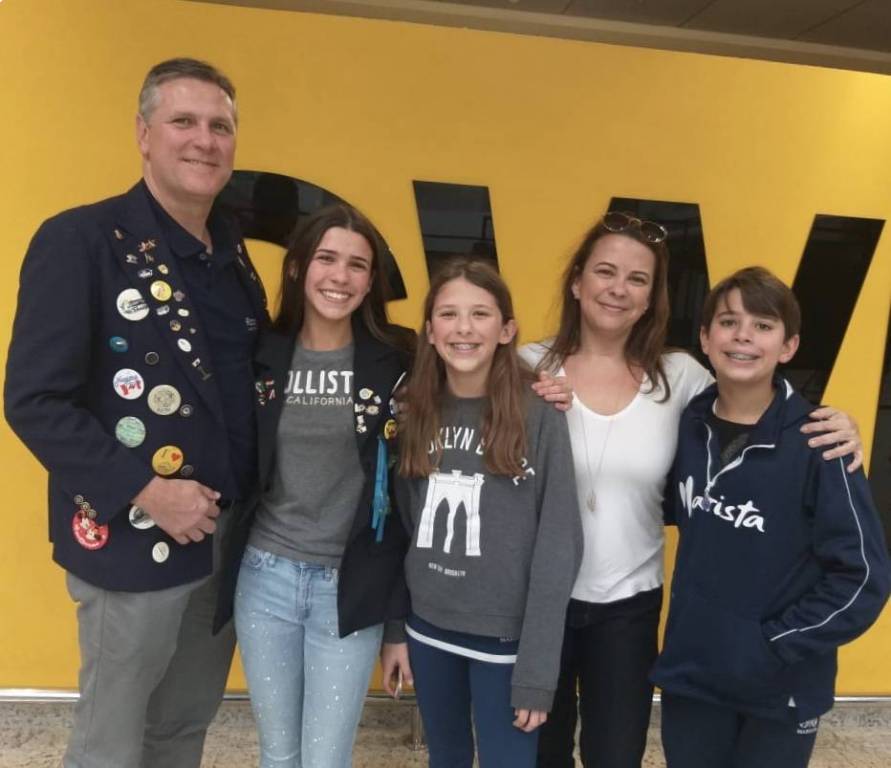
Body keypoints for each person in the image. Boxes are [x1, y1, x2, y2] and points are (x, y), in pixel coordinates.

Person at [522, 212, 865, 768]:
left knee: (616, 755)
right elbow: (455, 416)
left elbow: (751, 398)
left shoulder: (680, 377)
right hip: (537, 599)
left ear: (651, 298)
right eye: (605, 271)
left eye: (637, 279)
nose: (618, 288)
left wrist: (834, 424)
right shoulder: (525, 368)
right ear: (577, 281)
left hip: (628, 606)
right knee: (537, 752)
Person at [3, 58, 266, 768]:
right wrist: (147, 490)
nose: (205, 140)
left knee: (182, 727)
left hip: (224, 537)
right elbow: (34, 400)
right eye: (184, 121)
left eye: (220, 126)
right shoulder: (81, 240)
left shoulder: (232, 254)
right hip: (133, 536)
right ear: (144, 135)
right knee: (110, 742)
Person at [652, 266, 891, 768]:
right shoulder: (688, 425)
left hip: (780, 686)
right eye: (728, 322)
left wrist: (772, 644)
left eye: (763, 325)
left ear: (788, 346)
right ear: (705, 338)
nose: (743, 336)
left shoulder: (821, 443)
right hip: (693, 676)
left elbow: (863, 577)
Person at [220, 204, 414, 768]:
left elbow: (410, 495)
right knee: (279, 755)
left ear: (371, 282)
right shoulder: (262, 354)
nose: (340, 276)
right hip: (265, 578)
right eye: (327, 258)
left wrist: (541, 386)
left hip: (348, 585)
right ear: (298, 266)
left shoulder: (399, 360)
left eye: (358, 265)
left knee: (326, 760)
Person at [392, 258, 582, 768]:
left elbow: (559, 544)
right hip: (428, 626)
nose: (464, 328)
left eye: (480, 314)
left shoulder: (539, 412)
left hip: (506, 640)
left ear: (507, 330)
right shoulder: (413, 410)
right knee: (446, 757)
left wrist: (538, 670)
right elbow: (403, 526)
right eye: (448, 314)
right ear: (429, 330)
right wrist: (396, 628)